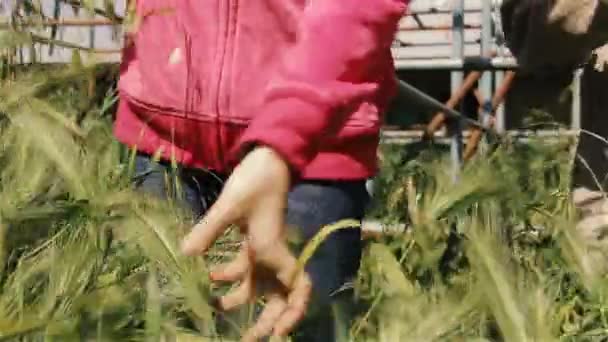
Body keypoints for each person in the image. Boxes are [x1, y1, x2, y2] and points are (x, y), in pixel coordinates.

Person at [115, 0, 409, 340]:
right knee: (157, 327)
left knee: (288, 330)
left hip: (315, 146)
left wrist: (292, 125)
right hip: (161, 138)